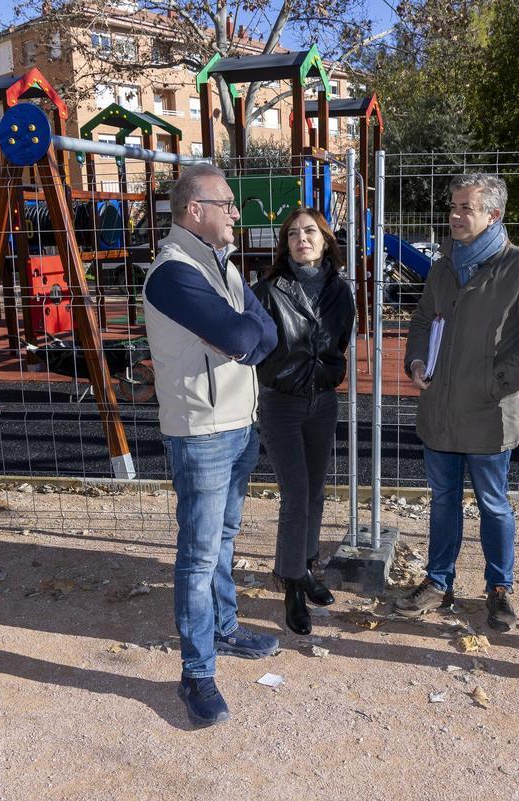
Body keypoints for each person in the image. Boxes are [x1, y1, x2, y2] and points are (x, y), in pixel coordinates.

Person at [143, 164, 280, 728]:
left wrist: (239, 333)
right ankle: (196, 673)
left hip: (238, 424)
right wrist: (238, 333)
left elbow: (262, 335)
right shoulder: (173, 275)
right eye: (227, 203)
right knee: (198, 557)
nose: (235, 213)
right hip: (200, 432)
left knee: (223, 538)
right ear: (194, 209)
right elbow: (245, 335)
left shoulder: (218, 265)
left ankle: (224, 629)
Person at [396, 174, 519, 630]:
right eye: (453, 205)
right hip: (439, 411)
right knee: (443, 500)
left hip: (488, 412)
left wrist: (495, 382)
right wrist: (415, 361)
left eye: (465, 207)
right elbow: (425, 319)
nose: (454, 215)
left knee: (494, 503)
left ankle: (499, 590)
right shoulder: (445, 266)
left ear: (493, 215)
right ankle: (438, 583)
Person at [252, 208, 355, 636]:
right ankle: (291, 581)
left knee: (315, 494)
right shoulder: (268, 290)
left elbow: (339, 342)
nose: (302, 238)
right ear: (285, 243)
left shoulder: (340, 291)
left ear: (326, 240)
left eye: (310, 231)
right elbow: (256, 345)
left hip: (323, 402)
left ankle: (306, 567)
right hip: (281, 403)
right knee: (295, 494)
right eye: (293, 233)